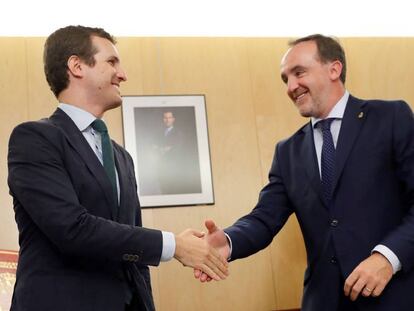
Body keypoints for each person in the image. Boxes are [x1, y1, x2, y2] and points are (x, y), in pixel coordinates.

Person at [7, 25, 228, 311]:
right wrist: (175, 245)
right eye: (111, 62)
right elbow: (72, 229)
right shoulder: (34, 138)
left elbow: (131, 247)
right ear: (76, 66)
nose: (122, 74)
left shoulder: (121, 156)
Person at [195, 34, 414, 311]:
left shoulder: (390, 118)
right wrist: (227, 240)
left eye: (299, 73)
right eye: (285, 78)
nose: (291, 86)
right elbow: (264, 218)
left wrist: (387, 257)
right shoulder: (287, 151)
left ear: (334, 69)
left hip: (394, 295)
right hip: (323, 301)